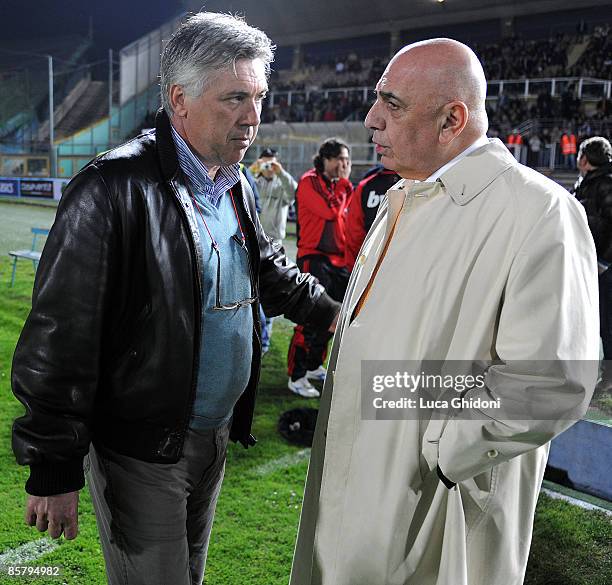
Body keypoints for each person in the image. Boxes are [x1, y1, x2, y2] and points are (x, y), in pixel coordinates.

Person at [11, 13, 339, 585]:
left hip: (212, 435)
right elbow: (61, 333)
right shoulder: (111, 188)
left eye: (259, 96)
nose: (253, 118)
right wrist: (53, 463)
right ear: (179, 99)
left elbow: (269, 270)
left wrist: (340, 316)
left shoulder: (231, 180)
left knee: (188, 575)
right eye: (235, 97)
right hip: (141, 445)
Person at [290, 39, 598, 585]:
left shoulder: (539, 211)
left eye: (392, 103)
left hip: (436, 509)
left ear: (452, 119)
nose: (371, 119)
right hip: (355, 495)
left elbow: (552, 380)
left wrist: (440, 447)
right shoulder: (404, 197)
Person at [287, 138, 353, 398]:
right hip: (313, 258)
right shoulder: (309, 181)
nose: (345, 165)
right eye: (340, 159)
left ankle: (314, 366)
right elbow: (329, 212)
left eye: (347, 160)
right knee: (310, 319)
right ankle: (297, 375)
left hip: (339, 261)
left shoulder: (341, 186)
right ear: (326, 159)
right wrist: (346, 185)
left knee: (333, 320)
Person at [250, 148, 298, 352]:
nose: (269, 168)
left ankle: (265, 342)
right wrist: (253, 170)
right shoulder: (253, 181)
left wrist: (281, 172)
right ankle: (253, 336)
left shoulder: (282, 183)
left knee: (271, 291)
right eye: (266, 163)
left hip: (275, 243)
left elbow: (296, 194)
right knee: (252, 290)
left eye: (272, 164)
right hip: (254, 241)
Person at [573, 136, 612, 374]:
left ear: (585, 159)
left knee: (607, 322)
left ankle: (608, 375)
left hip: (603, 265)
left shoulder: (606, 183)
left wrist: (604, 261)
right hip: (589, 262)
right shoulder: (586, 182)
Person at [344, 164, 400, 270]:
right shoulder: (418, 182)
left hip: (371, 264)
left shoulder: (366, 185)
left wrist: (354, 268)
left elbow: (354, 233)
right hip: (406, 262)